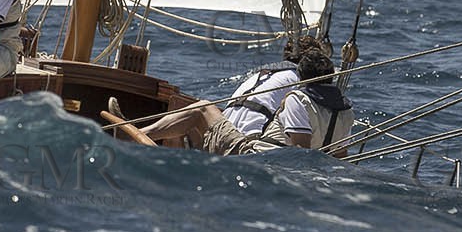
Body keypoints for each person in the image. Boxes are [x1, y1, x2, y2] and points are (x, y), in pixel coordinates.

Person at [129, 36, 320, 153]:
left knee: (193, 109)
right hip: (241, 142)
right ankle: (133, 136)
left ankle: (138, 135)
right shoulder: (299, 82)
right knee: (201, 108)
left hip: (228, 136)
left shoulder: (266, 73)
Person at [271, 47, 355, 158]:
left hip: (272, 159)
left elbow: (301, 150)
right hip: (322, 167)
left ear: (301, 77)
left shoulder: (298, 100)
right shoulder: (345, 109)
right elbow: (340, 155)